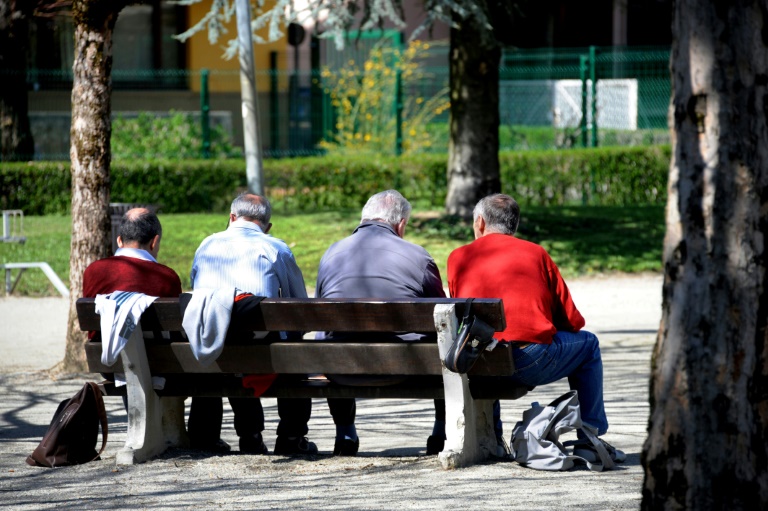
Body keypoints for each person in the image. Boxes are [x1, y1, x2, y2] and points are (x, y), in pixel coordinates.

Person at [446, 193, 625, 463]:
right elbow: (573, 321)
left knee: (487, 342)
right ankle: (590, 437)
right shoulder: (536, 253)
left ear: (479, 223)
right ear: (514, 226)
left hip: (478, 364)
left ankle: (494, 440)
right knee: (588, 345)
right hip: (529, 360)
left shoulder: (457, 257)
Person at [315, 189, 448, 456]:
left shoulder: (331, 254)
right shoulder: (418, 256)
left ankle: (346, 433)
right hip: (406, 366)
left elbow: (320, 309)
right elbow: (441, 313)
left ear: (364, 218)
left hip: (341, 366)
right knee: (444, 341)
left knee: (331, 337)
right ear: (400, 224)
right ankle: (441, 431)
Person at [189, 192, 316, 456]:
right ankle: (291, 437)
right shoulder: (275, 248)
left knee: (234, 340)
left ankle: (250, 434)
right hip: (262, 348)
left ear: (231, 218)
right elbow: (299, 306)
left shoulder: (206, 246)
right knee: (289, 348)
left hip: (214, 346)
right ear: (267, 227)